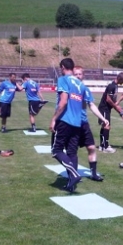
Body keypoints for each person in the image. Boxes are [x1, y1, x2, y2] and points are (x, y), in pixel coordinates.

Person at [50, 58, 87, 193]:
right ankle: (72, 183)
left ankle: (74, 174)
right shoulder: (81, 84)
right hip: (77, 123)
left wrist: (54, 118)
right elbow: (83, 106)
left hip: (65, 120)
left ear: (63, 67)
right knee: (72, 152)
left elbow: (63, 101)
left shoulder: (63, 79)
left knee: (56, 150)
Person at [73, 66, 109, 182]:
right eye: (75, 74)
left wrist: (103, 118)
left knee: (92, 148)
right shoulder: (69, 89)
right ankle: (73, 175)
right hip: (72, 124)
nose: (78, 76)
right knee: (72, 151)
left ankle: (93, 174)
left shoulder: (85, 90)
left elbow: (91, 105)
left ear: (83, 75)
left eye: (80, 74)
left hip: (84, 123)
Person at [98, 72, 123, 153]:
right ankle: (106, 147)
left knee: (104, 126)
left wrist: (117, 106)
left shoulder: (115, 86)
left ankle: (102, 145)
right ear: (120, 79)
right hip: (104, 108)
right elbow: (108, 99)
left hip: (107, 109)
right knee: (107, 126)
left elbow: (112, 99)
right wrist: (115, 106)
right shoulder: (112, 86)